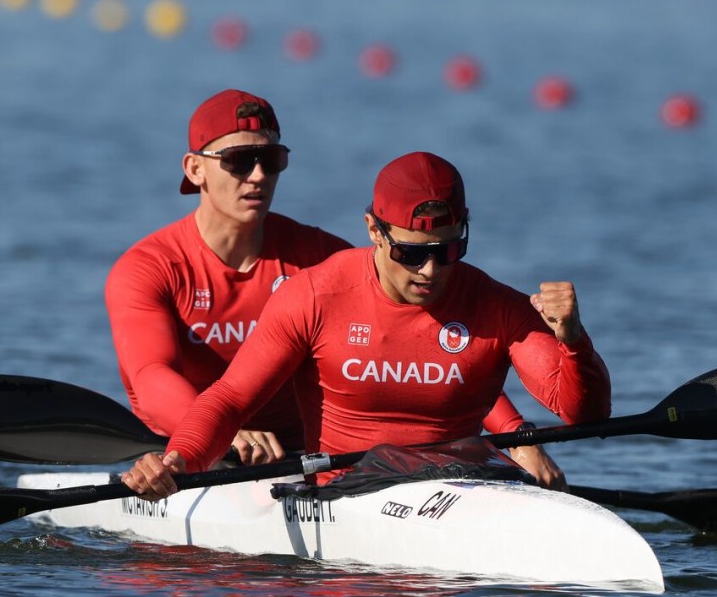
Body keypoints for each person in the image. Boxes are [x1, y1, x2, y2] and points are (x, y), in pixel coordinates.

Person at [106, 90, 554, 476]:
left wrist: (517, 435)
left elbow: (433, 342)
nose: (259, 175)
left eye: (272, 160)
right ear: (195, 168)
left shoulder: (320, 259)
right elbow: (151, 375)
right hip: (191, 453)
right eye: (240, 161)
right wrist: (225, 435)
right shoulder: (150, 268)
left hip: (304, 457)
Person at [121, 150, 611, 500]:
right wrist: (176, 463)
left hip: (464, 484)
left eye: (448, 250)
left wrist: (574, 342)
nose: (430, 270)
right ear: (374, 231)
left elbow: (584, 418)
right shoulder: (314, 296)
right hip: (347, 492)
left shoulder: (498, 305)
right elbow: (230, 400)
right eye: (412, 252)